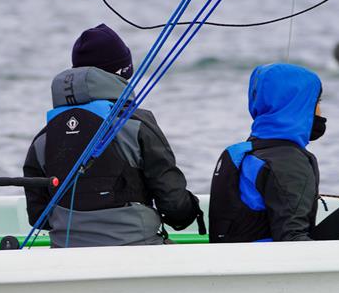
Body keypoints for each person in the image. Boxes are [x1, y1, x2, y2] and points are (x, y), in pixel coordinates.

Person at [23, 23, 204, 248]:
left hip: (65, 252)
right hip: (137, 248)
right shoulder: (137, 125)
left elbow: (38, 216)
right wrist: (190, 210)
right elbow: (175, 208)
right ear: (121, 74)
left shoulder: (44, 137)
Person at [209, 63, 339, 242]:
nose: (320, 111)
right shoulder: (286, 162)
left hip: (234, 256)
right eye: (317, 102)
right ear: (300, 105)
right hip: (270, 260)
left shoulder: (243, 152)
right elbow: (291, 239)